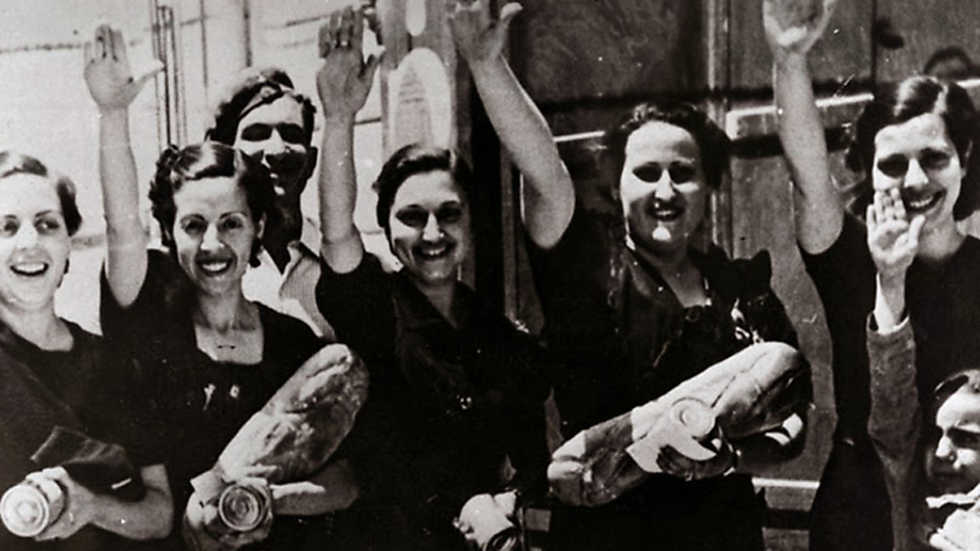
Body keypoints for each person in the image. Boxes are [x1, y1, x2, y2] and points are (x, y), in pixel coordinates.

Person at [436, 2, 810, 550]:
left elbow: (791, 421)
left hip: (720, 532)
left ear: (709, 188)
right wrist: (487, 65)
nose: (665, 191)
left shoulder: (741, 289)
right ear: (616, 185)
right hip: (608, 534)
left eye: (683, 173)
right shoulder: (587, 267)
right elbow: (542, 170)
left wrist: (732, 458)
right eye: (646, 173)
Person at [84, 25, 358, 550]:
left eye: (231, 223)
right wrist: (112, 114)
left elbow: (344, 482)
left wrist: (266, 499)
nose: (213, 243)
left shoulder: (294, 343)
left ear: (257, 227)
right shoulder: (150, 326)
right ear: (169, 234)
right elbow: (122, 228)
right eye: (193, 225)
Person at [313, 6, 551, 550]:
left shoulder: (500, 335)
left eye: (449, 214)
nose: (432, 233)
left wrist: (505, 503)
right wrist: (339, 117)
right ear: (386, 228)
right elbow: (336, 233)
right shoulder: (376, 312)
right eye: (411, 217)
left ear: (471, 223)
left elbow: (531, 463)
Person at [764, 0, 980, 549]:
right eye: (893, 164)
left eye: (934, 158)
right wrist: (789, 60)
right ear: (868, 169)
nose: (915, 181)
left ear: (964, 157)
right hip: (858, 515)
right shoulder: (849, 259)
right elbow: (808, 176)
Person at [0, 151, 173, 550]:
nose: (30, 242)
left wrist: (93, 508)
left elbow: (161, 512)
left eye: (47, 224)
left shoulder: (112, 365)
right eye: (7, 227)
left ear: (68, 245)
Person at [866, 194, 980, 551]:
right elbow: (893, 400)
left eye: (967, 438)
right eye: (933, 435)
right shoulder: (912, 493)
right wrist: (891, 282)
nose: (942, 452)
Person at [206, 66, 336, 338]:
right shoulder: (204, 267)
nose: (277, 150)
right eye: (257, 134)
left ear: (311, 162)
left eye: (291, 135)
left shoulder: (346, 264)